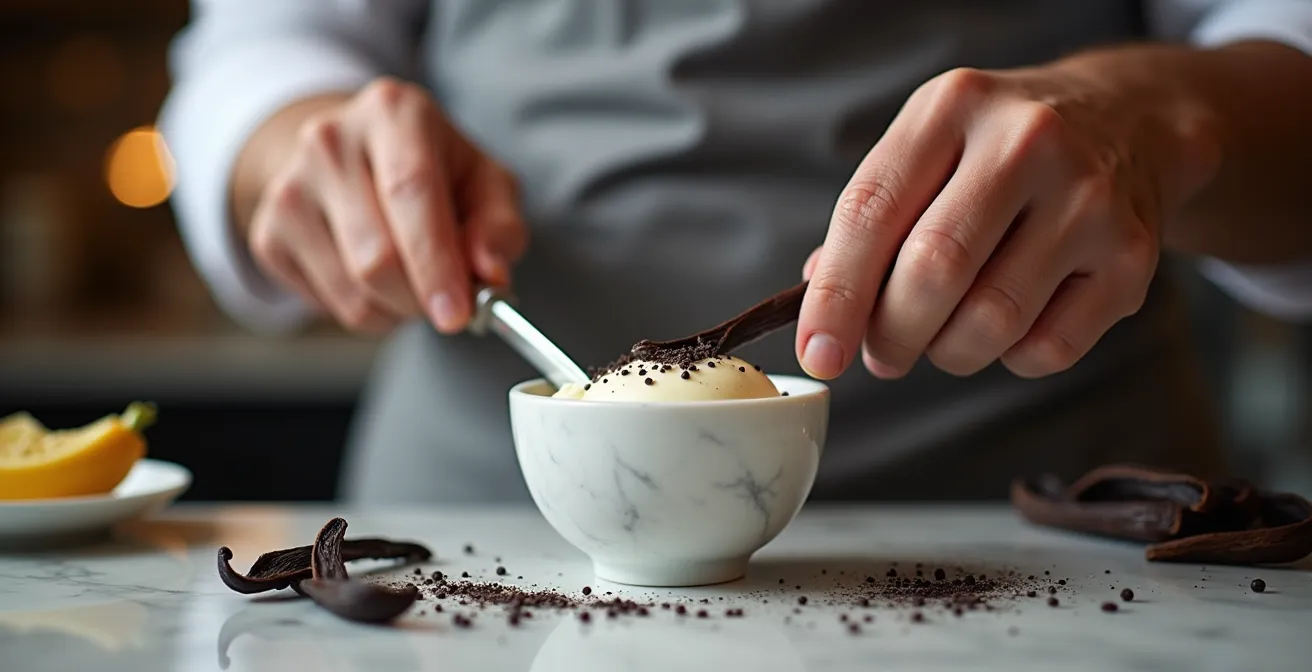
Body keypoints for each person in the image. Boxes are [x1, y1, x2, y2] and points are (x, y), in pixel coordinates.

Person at [160, 1, 1312, 504]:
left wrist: (1158, 124)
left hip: (1047, 528)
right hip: (489, 527)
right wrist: (295, 142)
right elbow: (265, 43)